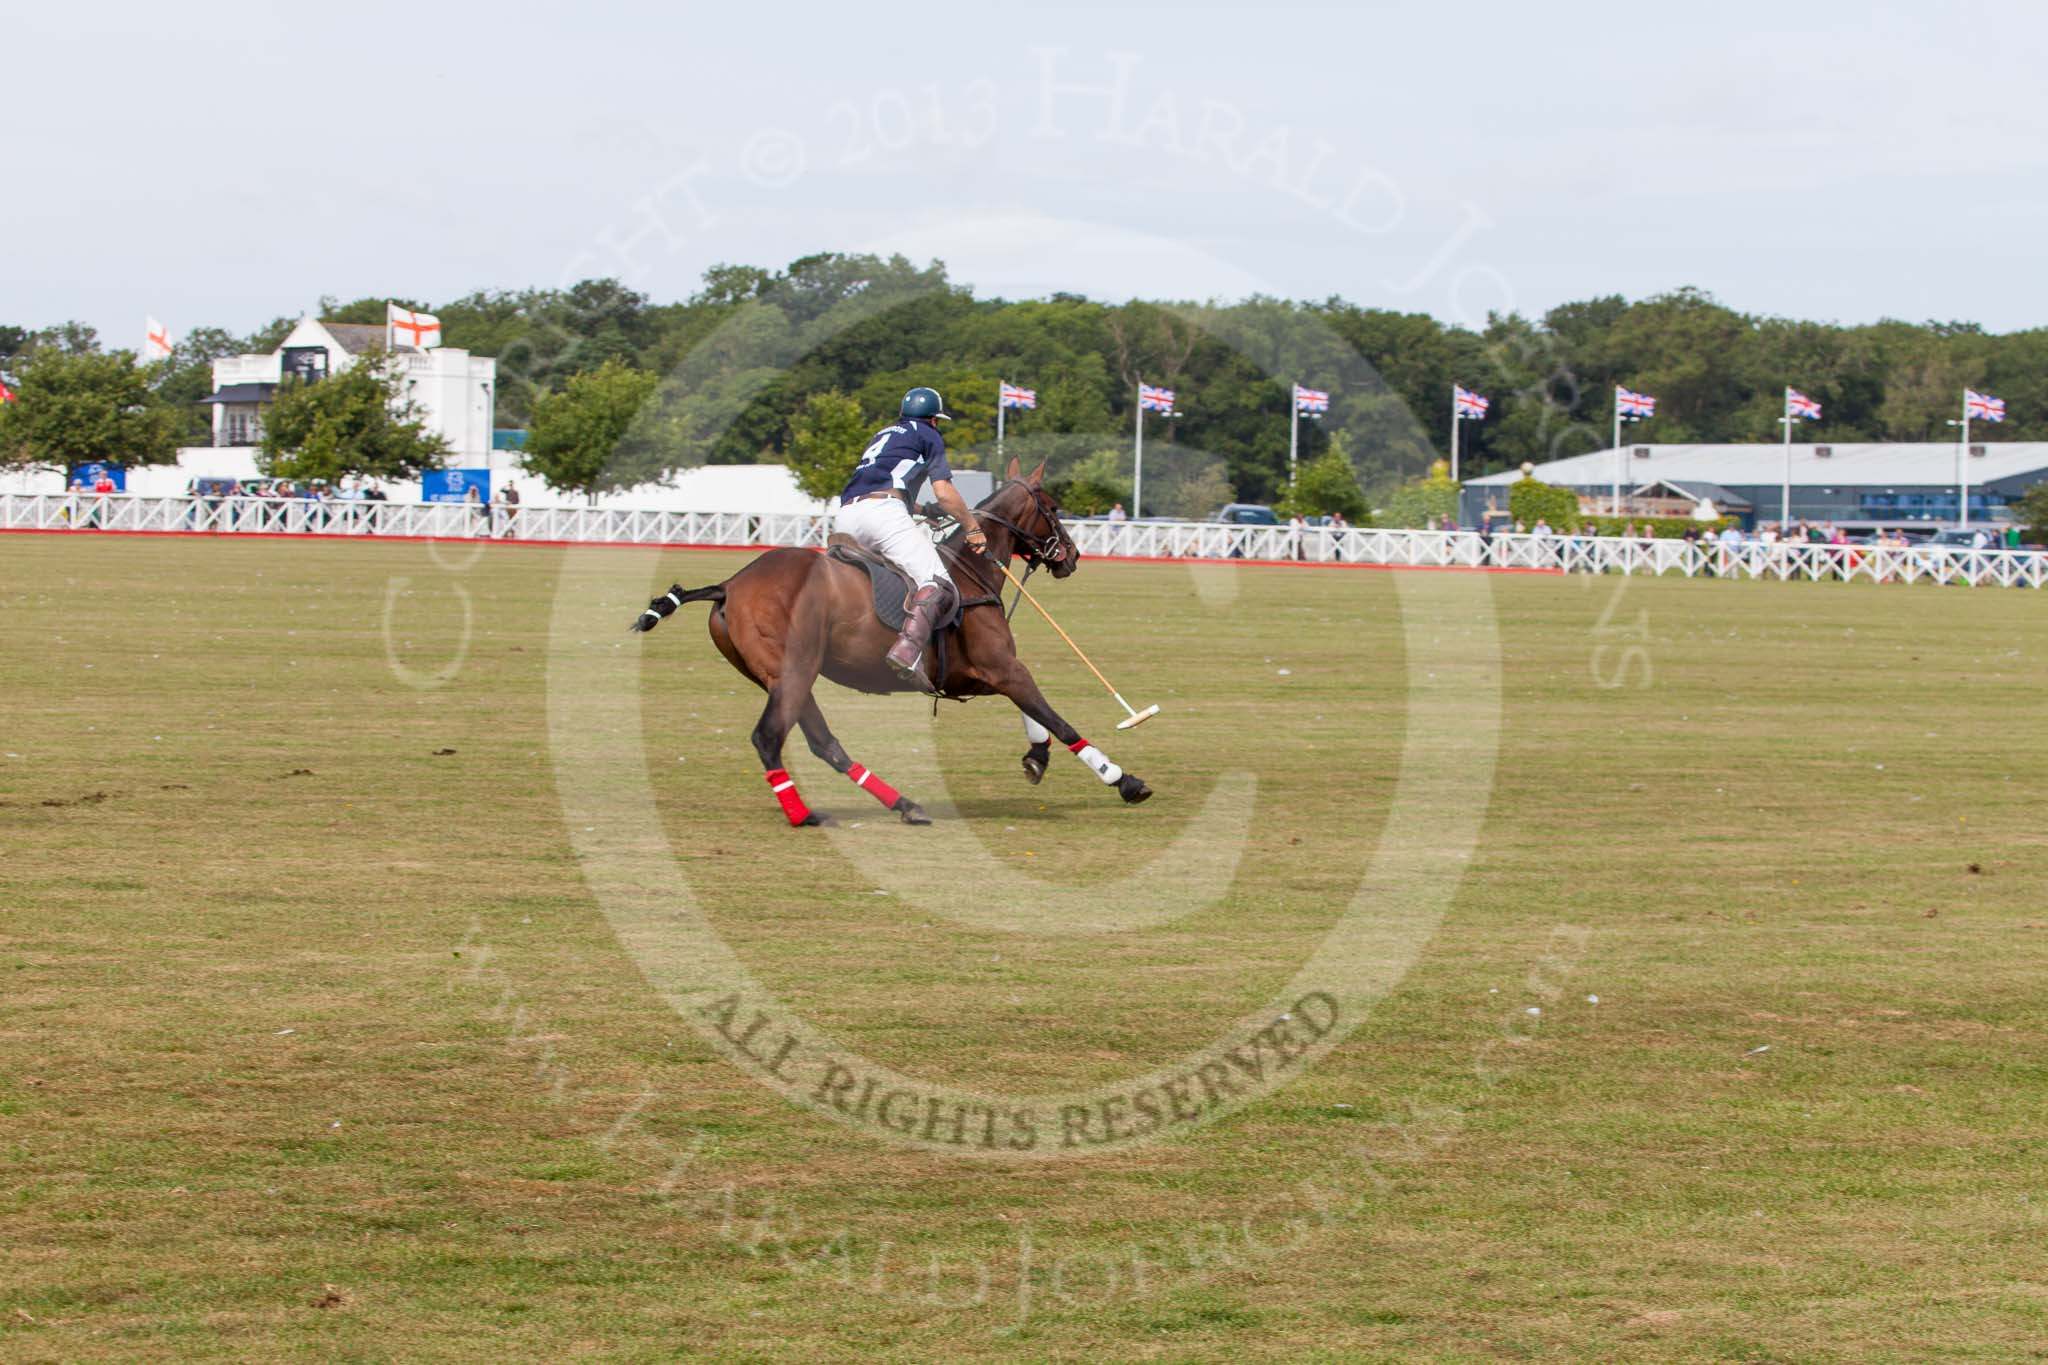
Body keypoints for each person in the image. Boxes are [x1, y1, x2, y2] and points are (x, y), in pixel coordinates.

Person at [836, 387, 985, 680]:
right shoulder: (929, 435)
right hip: (882, 516)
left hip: (846, 517)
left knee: (893, 580)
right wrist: (972, 527)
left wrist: (922, 510)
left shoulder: (884, 434)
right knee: (937, 582)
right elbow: (945, 493)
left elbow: (879, 485)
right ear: (933, 419)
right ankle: (908, 653)